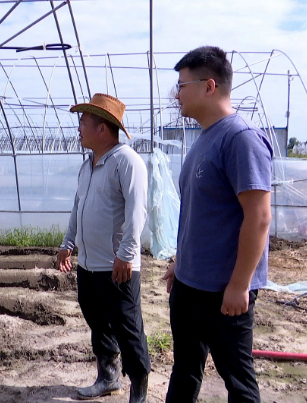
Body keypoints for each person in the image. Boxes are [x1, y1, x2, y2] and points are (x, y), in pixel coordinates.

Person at [161, 46, 273, 402]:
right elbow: (201, 213)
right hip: (189, 284)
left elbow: (259, 217)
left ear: (209, 86)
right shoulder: (205, 138)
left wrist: (240, 285)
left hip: (222, 291)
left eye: (182, 85)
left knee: (237, 381)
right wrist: (181, 262)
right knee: (185, 368)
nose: (176, 94)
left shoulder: (240, 138)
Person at [56, 93, 150, 403]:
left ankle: (139, 390)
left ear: (102, 128)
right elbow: (78, 207)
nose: (79, 128)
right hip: (88, 265)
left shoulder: (127, 161)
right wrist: (68, 243)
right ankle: (108, 377)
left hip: (117, 265)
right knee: (98, 322)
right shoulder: (88, 166)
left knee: (128, 327)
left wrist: (126, 254)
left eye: (84, 122)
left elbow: (137, 211)